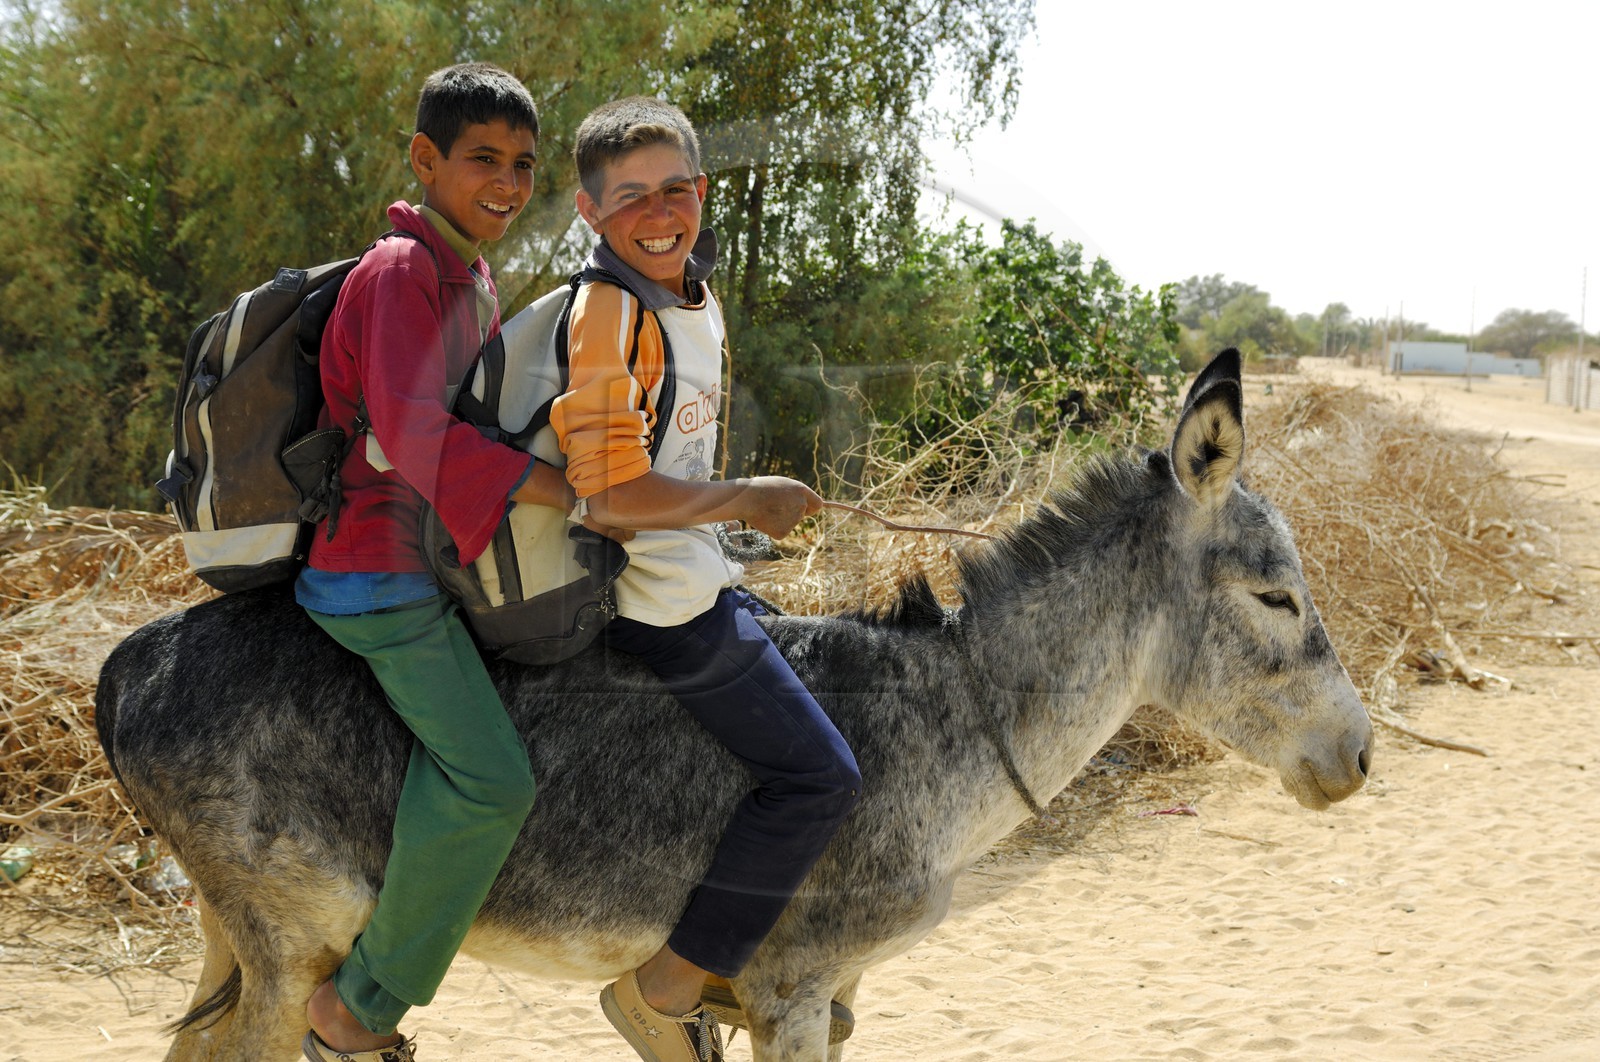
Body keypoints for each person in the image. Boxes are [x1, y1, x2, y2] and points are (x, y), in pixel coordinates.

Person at [554, 96, 862, 1062]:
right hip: (656, 603)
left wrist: (734, 530)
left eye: (677, 188)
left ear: (701, 190)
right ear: (588, 210)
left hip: (700, 577)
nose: (659, 212)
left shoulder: (691, 295)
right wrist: (744, 499)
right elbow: (604, 496)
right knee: (821, 780)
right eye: (630, 196)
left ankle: (755, 946)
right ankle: (668, 988)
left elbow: (674, 462)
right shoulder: (608, 313)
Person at [296, 63, 594, 1062]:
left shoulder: (468, 273)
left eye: (522, 165)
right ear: (426, 161)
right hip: (377, 575)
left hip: (430, 558)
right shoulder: (399, 273)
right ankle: (358, 1011)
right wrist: (558, 488)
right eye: (482, 162)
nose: (507, 184)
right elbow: (412, 434)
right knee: (492, 782)